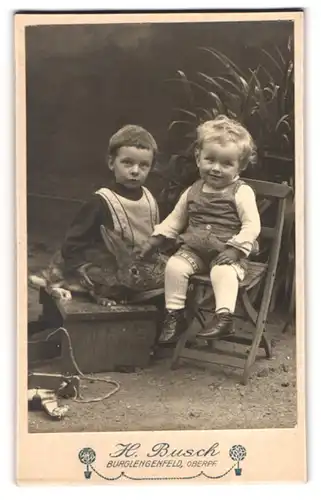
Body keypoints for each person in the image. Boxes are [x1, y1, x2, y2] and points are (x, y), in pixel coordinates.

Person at [139, 115, 261, 344]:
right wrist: (155, 240)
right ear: (198, 158)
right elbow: (175, 220)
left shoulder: (241, 192)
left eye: (226, 164)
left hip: (227, 253)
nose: (216, 168)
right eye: (210, 160)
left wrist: (236, 250)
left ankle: (224, 317)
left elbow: (252, 225)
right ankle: (174, 315)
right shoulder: (193, 191)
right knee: (175, 265)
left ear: (240, 166)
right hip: (195, 251)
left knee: (222, 272)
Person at [29, 124, 160, 299]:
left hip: (140, 266)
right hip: (108, 265)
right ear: (111, 162)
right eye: (127, 163)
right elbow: (73, 243)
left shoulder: (150, 199)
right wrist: (81, 267)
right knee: (107, 279)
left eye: (143, 165)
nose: (135, 171)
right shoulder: (101, 201)